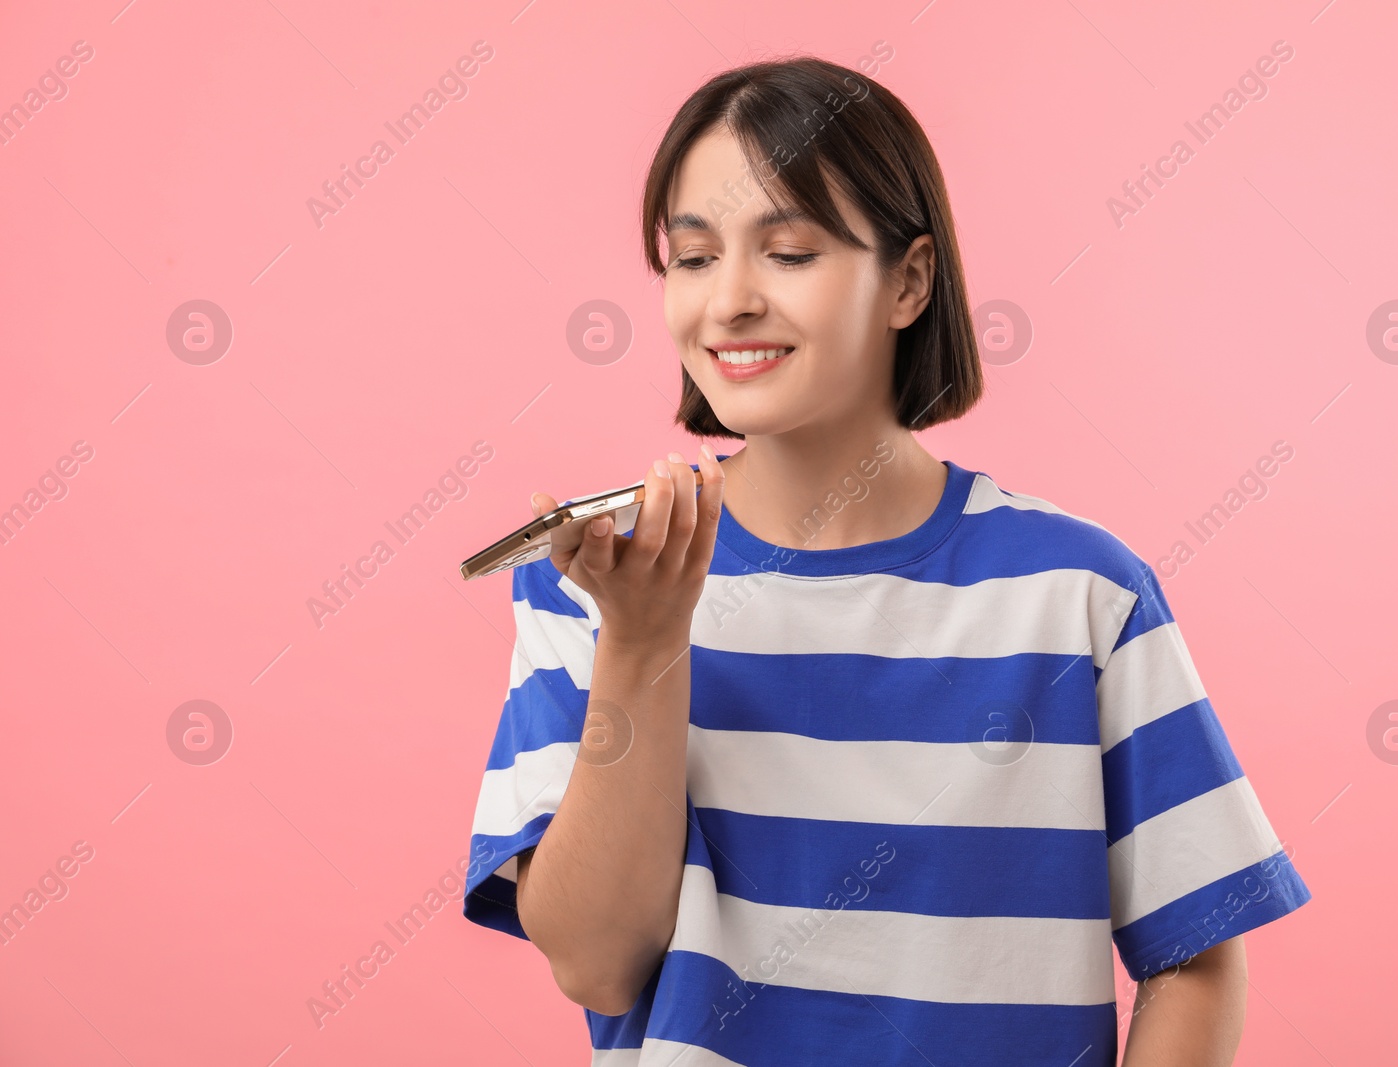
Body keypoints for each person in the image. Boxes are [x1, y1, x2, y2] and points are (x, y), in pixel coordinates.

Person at [462, 55, 1310, 1067]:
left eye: (787, 252)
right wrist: (642, 643)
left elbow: (1197, 950)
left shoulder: (1078, 592)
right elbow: (597, 963)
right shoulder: (594, 582)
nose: (727, 301)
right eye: (691, 258)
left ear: (907, 280)